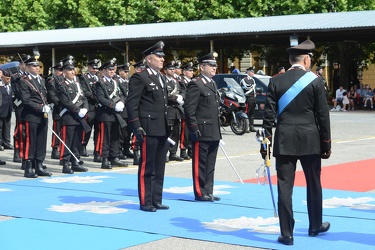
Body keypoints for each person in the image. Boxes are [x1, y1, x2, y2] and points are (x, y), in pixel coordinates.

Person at [261, 40, 331, 246]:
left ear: (290, 60)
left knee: (285, 187)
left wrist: (266, 142)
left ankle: (286, 233)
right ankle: (315, 225)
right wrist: (325, 143)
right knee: (314, 184)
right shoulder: (316, 81)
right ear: (307, 60)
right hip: (310, 140)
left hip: (284, 140)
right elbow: (322, 116)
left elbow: (268, 116)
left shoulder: (276, 81)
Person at [127, 41, 170, 212]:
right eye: (158, 56)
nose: (162, 59)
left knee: (159, 167)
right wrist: (136, 126)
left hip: (162, 128)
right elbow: (132, 104)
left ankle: (156, 199)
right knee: (147, 167)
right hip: (148, 128)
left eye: (162, 56)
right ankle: (146, 201)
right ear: (149, 59)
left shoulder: (161, 77)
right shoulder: (140, 77)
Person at [184, 51, 222, 202]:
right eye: (211, 65)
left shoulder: (212, 83)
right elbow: (189, 109)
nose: (214, 68)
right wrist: (193, 128)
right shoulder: (196, 83)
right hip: (202, 129)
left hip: (213, 130)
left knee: (210, 163)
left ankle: (209, 190)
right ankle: (200, 192)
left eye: (215, 65)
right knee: (200, 163)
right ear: (202, 67)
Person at [18, 55, 52, 178]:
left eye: (38, 66)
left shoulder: (41, 80)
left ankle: (39, 165)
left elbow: (44, 97)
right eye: (34, 66)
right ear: (27, 67)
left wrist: (48, 106)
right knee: (30, 141)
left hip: (42, 116)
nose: (37, 68)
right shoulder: (24, 81)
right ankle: (28, 167)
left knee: (41, 142)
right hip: (31, 116)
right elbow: (26, 100)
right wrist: (40, 108)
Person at [56, 58, 89, 173]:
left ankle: (75, 161)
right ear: (64, 72)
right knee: (67, 141)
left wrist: (85, 108)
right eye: (70, 70)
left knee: (77, 140)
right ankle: (65, 163)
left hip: (78, 117)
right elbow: (66, 101)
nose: (73, 72)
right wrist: (77, 109)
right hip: (68, 117)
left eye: (73, 69)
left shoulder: (77, 84)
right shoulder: (61, 85)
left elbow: (83, 98)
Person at [95, 59, 128, 169]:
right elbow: (101, 99)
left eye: (113, 69)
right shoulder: (100, 83)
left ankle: (115, 157)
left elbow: (122, 95)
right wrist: (113, 105)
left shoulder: (116, 82)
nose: (112, 71)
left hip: (116, 114)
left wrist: (121, 103)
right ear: (104, 70)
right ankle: (105, 158)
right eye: (109, 69)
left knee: (116, 136)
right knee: (106, 137)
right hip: (106, 114)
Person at [79, 58, 101, 160]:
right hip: (90, 106)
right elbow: (85, 92)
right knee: (87, 128)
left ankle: (97, 149)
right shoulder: (84, 78)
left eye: (96, 68)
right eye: (93, 68)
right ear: (88, 67)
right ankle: (83, 145)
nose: (94, 70)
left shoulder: (98, 78)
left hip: (99, 107)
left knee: (98, 130)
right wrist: (97, 97)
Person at [164, 60, 184, 161]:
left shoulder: (176, 81)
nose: (172, 71)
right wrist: (175, 98)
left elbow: (182, 91)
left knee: (176, 132)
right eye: (170, 69)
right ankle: (164, 153)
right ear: (165, 70)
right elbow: (165, 95)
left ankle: (173, 152)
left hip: (177, 111)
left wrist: (181, 96)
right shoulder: (163, 80)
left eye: (173, 69)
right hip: (169, 109)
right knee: (168, 132)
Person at [46, 61, 64, 160]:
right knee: (57, 129)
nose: (60, 72)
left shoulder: (64, 80)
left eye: (62, 70)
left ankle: (62, 148)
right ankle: (55, 148)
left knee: (64, 130)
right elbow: (52, 96)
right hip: (58, 108)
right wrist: (63, 104)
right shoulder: (51, 81)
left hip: (66, 109)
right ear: (55, 70)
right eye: (59, 70)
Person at [178, 62, 194, 160]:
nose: (192, 72)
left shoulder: (193, 82)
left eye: (192, 70)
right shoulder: (181, 82)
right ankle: (183, 150)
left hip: (192, 109)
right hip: (184, 108)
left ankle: (191, 149)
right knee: (185, 131)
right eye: (190, 70)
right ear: (184, 72)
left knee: (192, 130)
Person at [240, 66, 257, 132]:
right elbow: (245, 88)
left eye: (253, 72)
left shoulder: (253, 79)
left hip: (253, 97)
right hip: (248, 97)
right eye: (252, 72)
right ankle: (245, 127)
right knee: (247, 112)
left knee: (252, 113)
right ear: (248, 72)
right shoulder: (244, 80)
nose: (253, 73)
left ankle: (251, 126)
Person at [0, 69, 13, 151]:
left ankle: (6, 142)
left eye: (9, 78)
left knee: (7, 127)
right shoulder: (0, 85)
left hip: (8, 109)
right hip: (1, 109)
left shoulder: (10, 86)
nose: (8, 80)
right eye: (7, 78)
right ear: (2, 77)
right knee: (0, 128)